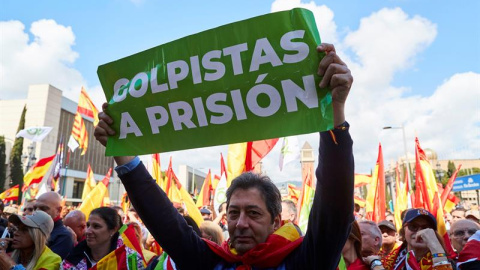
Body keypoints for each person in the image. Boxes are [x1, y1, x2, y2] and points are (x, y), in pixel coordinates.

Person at [94, 42, 354, 269]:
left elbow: (334, 206)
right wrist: (123, 153)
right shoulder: (210, 261)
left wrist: (334, 112)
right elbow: (162, 218)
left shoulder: (305, 261)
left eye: (253, 213)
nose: (240, 223)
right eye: (233, 213)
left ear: (276, 222)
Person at [61, 207, 144, 269]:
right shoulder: (72, 258)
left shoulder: (131, 259)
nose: (88, 231)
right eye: (88, 225)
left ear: (113, 230)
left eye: (96, 226)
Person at [382, 208, 454, 270]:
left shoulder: (448, 263)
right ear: (404, 230)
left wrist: (436, 247)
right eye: (413, 226)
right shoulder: (390, 261)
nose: (420, 232)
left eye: (426, 228)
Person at [34, 191, 74, 259]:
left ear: (58, 210)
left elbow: (47, 263)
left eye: (43, 209)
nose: (36, 212)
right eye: (35, 208)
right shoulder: (33, 229)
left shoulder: (63, 236)